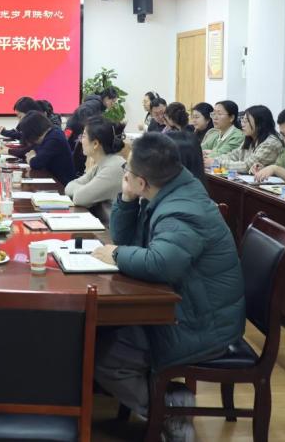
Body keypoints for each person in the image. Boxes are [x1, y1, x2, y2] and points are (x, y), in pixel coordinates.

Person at [92, 133, 244, 439]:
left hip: (200, 325)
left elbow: (161, 263)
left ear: (143, 181)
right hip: (188, 309)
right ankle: (161, 401)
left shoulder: (182, 210)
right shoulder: (169, 190)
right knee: (96, 336)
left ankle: (170, 409)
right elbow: (125, 238)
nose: (124, 174)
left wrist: (116, 255)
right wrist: (126, 198)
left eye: (127, 171)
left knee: (104, 357)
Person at [64, 118, 125, 223]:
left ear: (95, 143)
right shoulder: (102, 163)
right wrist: (86, 189)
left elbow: (80, 198)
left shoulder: (114, 167)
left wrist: (85, 190)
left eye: (83, 136)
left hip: (109, 231)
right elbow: (69, 186)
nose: (80, 140)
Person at [207, 105, 284, 173]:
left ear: (260, 123)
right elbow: (234, 155)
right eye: (242, 121)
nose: (242, 125)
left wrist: (216, 163)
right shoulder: (250, 138)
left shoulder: (271, 143)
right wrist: (213, 160)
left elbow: (247, 166)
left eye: (246, 121)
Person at [18, 110, 76, 185]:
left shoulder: (54, 138)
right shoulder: (51, 133)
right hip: (52, 178)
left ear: (33, 131)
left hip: (61, 184)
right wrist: (33, 156)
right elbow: (34, 151)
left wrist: (31, 158)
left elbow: (36, 163)